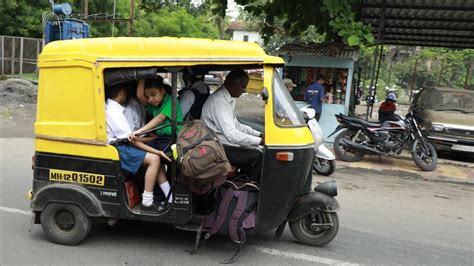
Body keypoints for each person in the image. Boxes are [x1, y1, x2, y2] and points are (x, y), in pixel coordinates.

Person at [105, 83, 172, 213]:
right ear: (122, 93)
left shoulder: (114, 108)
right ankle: (147, 202)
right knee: (155, 160)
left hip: (123, 144)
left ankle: (170, 198)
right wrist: (156, 151)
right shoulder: (115, 112)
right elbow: (131, 141)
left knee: (155, 159)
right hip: (119, 148)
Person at [201, 68, 264, 183]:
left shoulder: (229, 98)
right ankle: (244, 189)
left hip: (223, 142)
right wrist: (259, 141)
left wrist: (259, 134)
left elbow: (236, 124)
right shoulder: (219, 102)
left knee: (256, 150)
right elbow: (231, 134)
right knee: (257, 156)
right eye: (243, 87)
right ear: (234, 84)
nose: (244, 90)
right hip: (216, 146)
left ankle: (240, 182)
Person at [130, 78, 184, 152]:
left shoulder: (171, 101)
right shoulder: (155, 105)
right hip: (161, 138)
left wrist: (139, 131)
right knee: (135, 144)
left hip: (173, 139)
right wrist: (142, 78)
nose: (150, 99)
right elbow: (140, 96)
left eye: (153, 95)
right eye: (147, 97)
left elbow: (160, 118)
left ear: (162, 91)